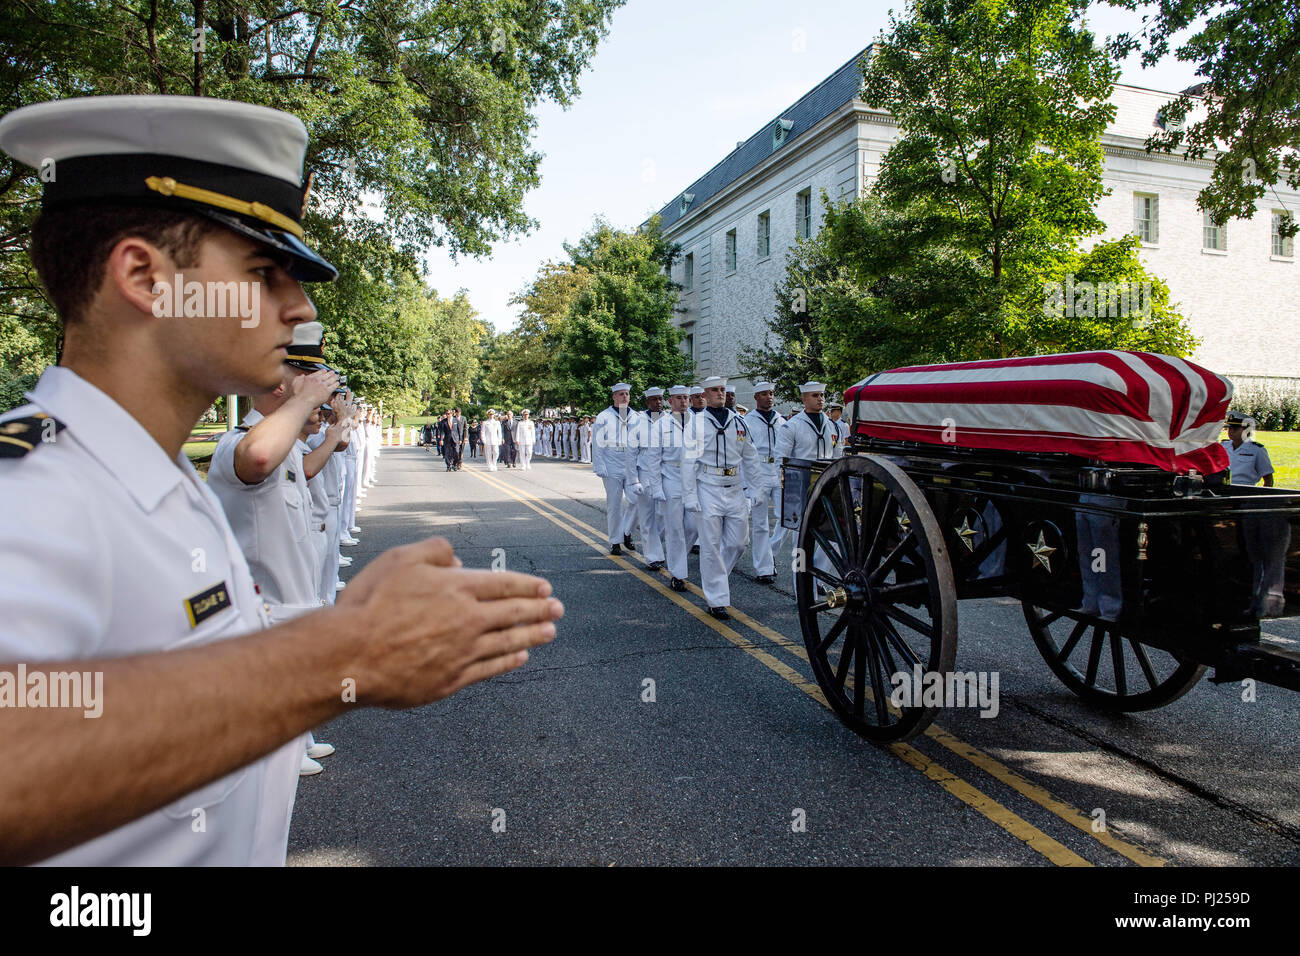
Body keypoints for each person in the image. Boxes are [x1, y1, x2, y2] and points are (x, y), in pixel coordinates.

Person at [0, 94, 562, 866]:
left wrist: (340, 626)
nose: (297, 309)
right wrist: (342, 651)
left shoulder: (157, 479)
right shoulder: (32, 494)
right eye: (263, 272)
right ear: (144, 276)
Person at [681, 377, 764, 619]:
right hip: (709, 486)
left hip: (735, 486)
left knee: (739, 543)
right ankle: (716, 599)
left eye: (723, 390)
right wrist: (689, 496)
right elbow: (688, 462)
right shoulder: (696, 424)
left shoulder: (738, 421)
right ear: (705, 395)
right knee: (710, 544)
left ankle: (717, 579)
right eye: (715, 390)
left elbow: (751, 456)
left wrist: (756, 488)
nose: (720, 393)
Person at [775, 381, 844, 588]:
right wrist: (785, 488)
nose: (820, 399)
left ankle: (818, 577)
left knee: (833, 538)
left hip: (827, 486)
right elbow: (781, 459)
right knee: (801, 544)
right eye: (815, 395)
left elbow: (838, 454)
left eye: (822, 395)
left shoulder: (832, 425)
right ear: (804, 399)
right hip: (801, 488)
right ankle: (802, 587)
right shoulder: (792, 426)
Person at [645, 385, 697, 591]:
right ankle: (678, 574)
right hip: (671, 478)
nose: (683, 401)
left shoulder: (698, 423)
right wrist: (656, 487)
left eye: (686, 398)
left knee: (693, 527)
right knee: (675, 528)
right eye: (678, 398)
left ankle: (678, 559)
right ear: (670, 401)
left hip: (693, 481)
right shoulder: (660, 424)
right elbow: (653, 458)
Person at [742, 382, 787, 584]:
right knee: (760, 524)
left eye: (771, 394)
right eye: (763, 394)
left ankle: (771, 549)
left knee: (788, 518)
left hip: (777, 472)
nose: (769, 397)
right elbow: (741, 453)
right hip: (758, 472)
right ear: (755, 397)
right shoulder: (747, 421)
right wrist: (746, 483)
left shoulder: (781, 420)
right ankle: (764, 568)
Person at [592, 384, 644, 555]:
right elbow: (598, 443)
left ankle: (626, 532)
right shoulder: (604, 416)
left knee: (636, 500)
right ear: (614, 397)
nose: (625, 397)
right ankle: (615, 541)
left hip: (631, 463)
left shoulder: (636, 416)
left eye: (627, 394)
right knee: (614, 504)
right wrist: (599, 465)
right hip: (612, 461)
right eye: (621, 394)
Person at [632, 387, 667, 570]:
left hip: (665, 471)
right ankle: (653, 556)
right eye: (654, 400)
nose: (658, 403)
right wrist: (633, 479)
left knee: (663, 515)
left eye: (660, 399)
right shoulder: (638, 421)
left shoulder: (670, 419)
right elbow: (631, 452)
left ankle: (657, 545)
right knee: (647, 515)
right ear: (647, 402)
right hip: (644, 470)